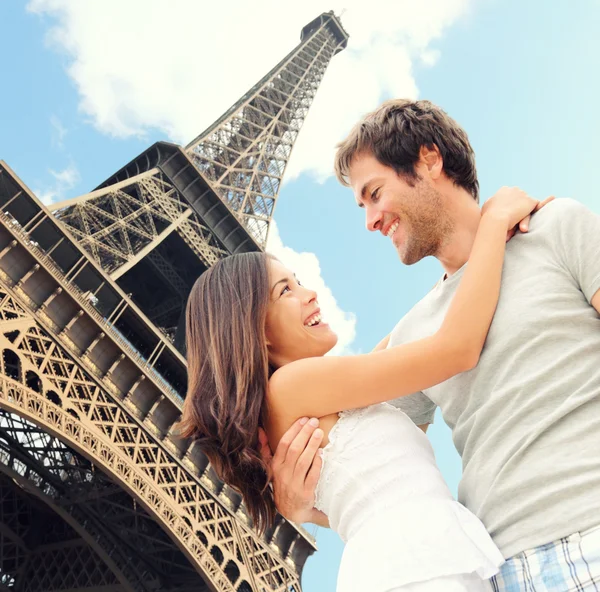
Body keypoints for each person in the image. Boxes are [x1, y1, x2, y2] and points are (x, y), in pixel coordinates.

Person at [267, 99, 600, 592]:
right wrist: (302, 507)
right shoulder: (414, 334)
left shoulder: (556, 228)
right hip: (502, 572)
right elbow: (379, 470)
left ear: (429, 160)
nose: (370, 220)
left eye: (374, 193)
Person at [180, 186, 550, 591]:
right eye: (285, 290)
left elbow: (415, 332)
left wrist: (467, 258)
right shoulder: (291, 385)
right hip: (413, 562)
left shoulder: (321, 395)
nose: (310, 293)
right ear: (256, 331)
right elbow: (454, 348)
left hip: (414, 560)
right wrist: (494, 224)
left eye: (299, 281)